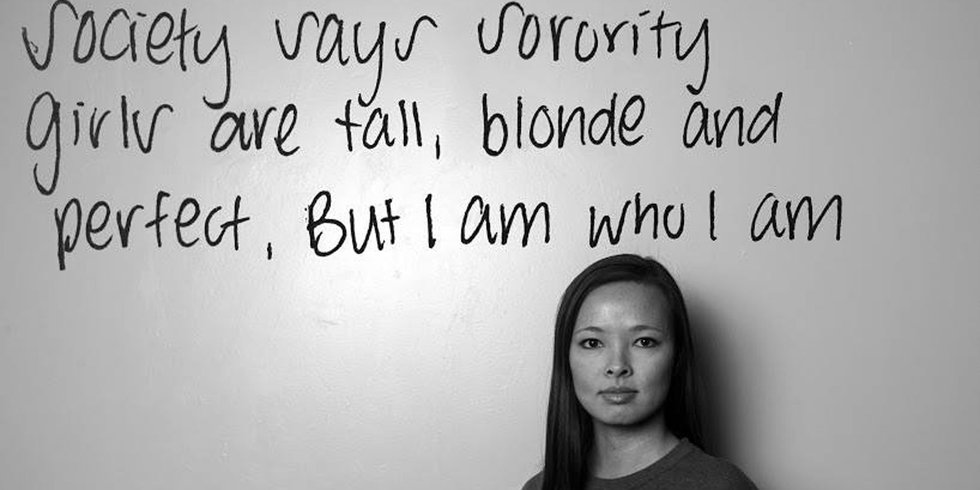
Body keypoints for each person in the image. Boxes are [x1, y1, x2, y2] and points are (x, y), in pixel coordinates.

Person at [522, 254, 758, 490]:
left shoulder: (722, 485)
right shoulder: (538, 487)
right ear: (566, 357)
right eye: (592, 343)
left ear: (677, 356)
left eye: (644, 342)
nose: (617, 366)